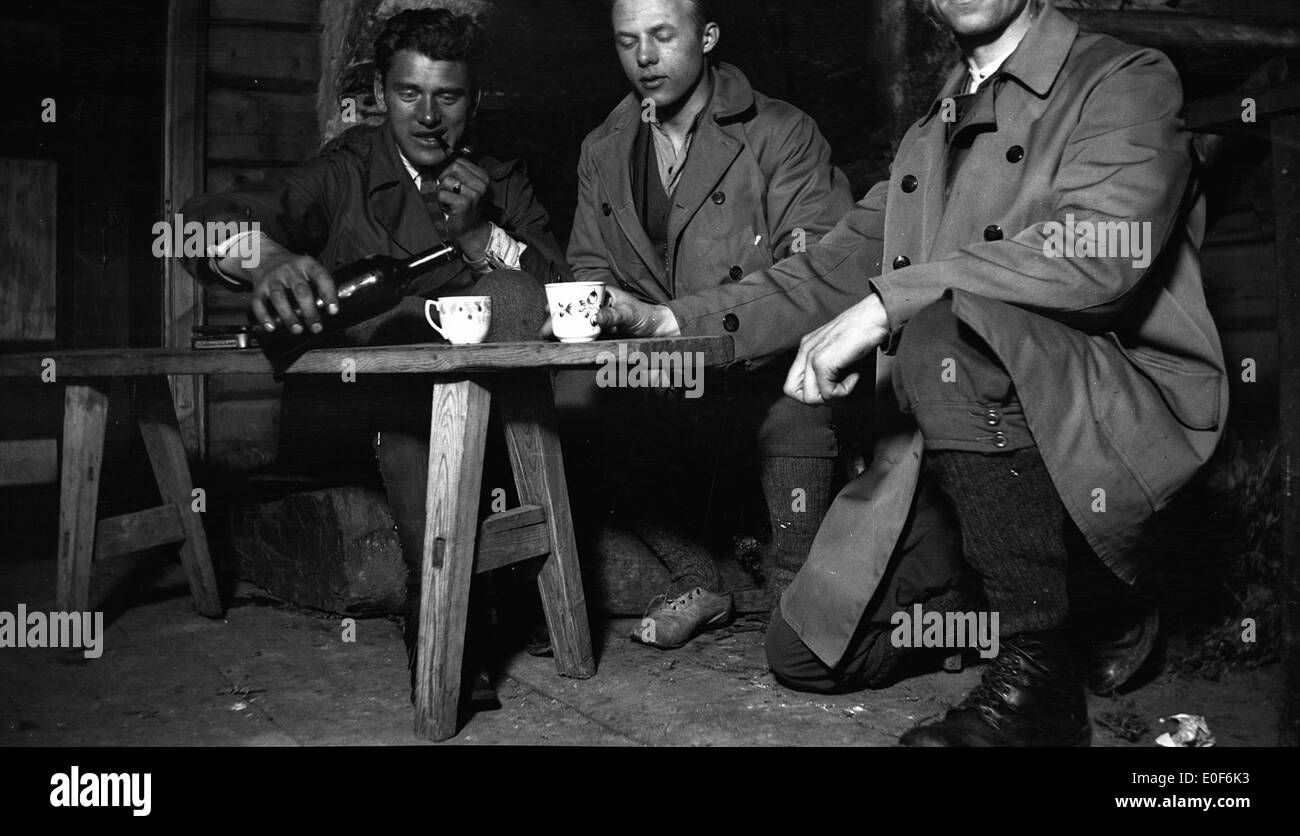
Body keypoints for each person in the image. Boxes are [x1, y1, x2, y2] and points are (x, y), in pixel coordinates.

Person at [596, 0, 1226, 745]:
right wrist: (668, 321)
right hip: (968, 440)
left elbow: (1099, 254)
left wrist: (886, 306)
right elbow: (832, 265)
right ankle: (1061, 600)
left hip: (1104, 412)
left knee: (941, 332)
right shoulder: (933, 131)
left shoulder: (1121, 77)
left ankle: (1037, 682)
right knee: (807, 651)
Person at [181, 8, 569, 701]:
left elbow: (564, 298)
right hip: (360, 418)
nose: (427, 116)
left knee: (491, 343)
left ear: (473, 102)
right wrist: (267, 260)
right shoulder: (346, 172)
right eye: (407, 93)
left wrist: (481, 238)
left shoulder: (501, 181)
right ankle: (445, 623)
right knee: (410, 404)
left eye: (446, 96)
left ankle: (457, 617)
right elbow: (202, 223)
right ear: (380, 96)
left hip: (492, 423)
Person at [562, 0, 855, 649]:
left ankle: (789, 583)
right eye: (627, 40)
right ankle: (695, 578)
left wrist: (686, 324)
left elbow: (820, 277)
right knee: (565, 400)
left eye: (663, 36)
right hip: (654, 366)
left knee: (801, 391)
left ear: (709, 35)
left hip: (756, 360)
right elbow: (588, 260)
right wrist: (597, 303)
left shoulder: (781, 132)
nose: (644, 57)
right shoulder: (602, 149)